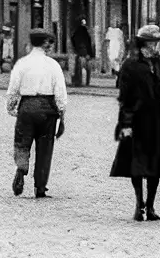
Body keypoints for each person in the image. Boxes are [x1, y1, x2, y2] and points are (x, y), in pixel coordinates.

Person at [110, 24, 160, 222]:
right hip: (138, 120)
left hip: (158, 120)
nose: (156, 46)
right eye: (153, 42)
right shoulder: (130, 65)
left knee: (156, 163)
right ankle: (138, 204)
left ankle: (150, 206)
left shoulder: (158, 64)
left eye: (157, 42)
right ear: (143, 43)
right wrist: (126, 124)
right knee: (137, 163)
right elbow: (125, 97)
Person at [5, 32, 68, 198]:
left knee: (22, 141)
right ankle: (40, 186)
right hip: (47, 108)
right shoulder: (53, 65)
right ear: (46, 44)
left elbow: (13, 88)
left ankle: (21, 167)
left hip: (26, 106)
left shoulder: (22, 63)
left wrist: (11, 106)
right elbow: (60, 91)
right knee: (45, 148)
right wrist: (62, 111)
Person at [70, 19, 95, 88]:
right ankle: (86, 82)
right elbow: (88, 43)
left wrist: (75, 49)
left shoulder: (77, 32)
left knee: (79, 68)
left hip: (80, 52)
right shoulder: (85, 32)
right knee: (87, 69)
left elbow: (73, 40)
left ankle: (79, 81)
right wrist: (90, 54)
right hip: (85, 52)